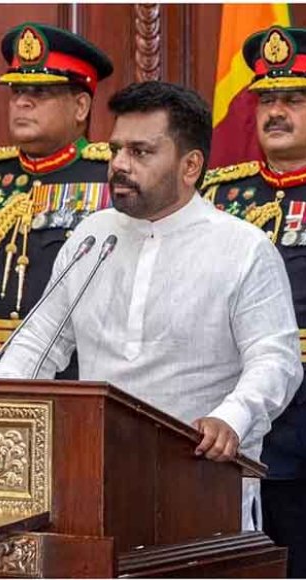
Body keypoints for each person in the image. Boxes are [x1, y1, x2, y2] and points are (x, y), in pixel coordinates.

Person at [0, 81, 303, 531]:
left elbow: (276, 361)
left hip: (202, 486)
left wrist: (230, 418)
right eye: (116, 149)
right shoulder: (91, 238)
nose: (118, 165)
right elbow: (39, 341)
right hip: (90, 484)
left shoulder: (243, 249)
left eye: (140, 152)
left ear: (190, 165)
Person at [0, 22, 114, 377]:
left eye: (40, 91)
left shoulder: (110, 177)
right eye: (17, 91)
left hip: (73, 380)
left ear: (81, 106)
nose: (22, 102)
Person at [200, 25, 306, 576]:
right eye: (267, 98)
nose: (275, 111)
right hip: (230, 413)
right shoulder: (220, 195)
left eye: (293, 98)